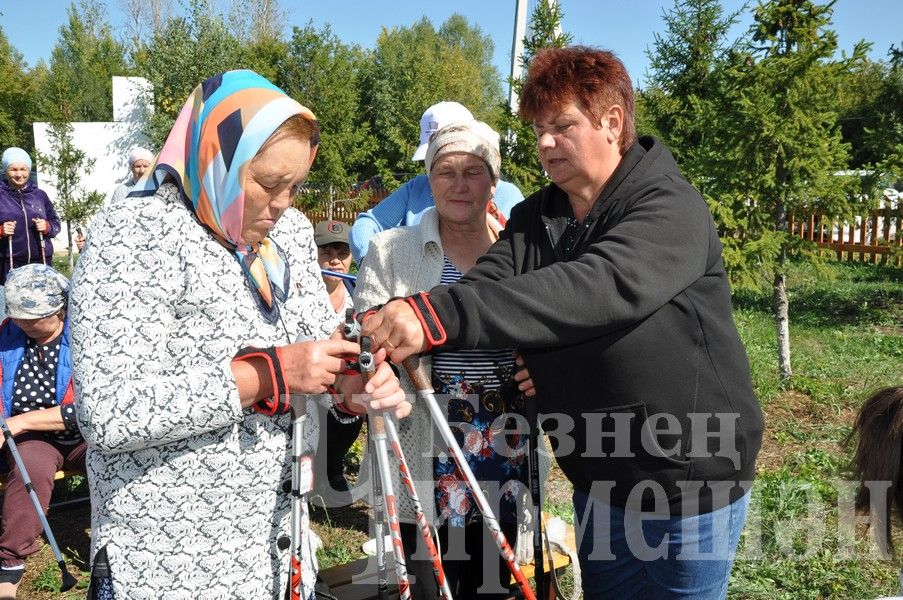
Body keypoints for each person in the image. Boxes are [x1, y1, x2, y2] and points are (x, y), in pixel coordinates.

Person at [361, 46, 764, 599]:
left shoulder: (669, 208)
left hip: (686, 486)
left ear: (613, 122)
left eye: (562, 125)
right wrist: (412, 316)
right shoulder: (537, 218)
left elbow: (594, 288)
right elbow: (489, 285)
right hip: (598, 482)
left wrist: (434, 315)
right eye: (539, 129)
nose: (546, 142)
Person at [70, 70, 409, 600]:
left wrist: (350, 387)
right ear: (215, 159)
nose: (281, 203)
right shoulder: (134, 234)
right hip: (169, 557)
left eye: (294, 186)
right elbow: (110, 411)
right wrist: (267, 373)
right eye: (268, 184)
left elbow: (313, 347)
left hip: (276, 550)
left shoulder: (290, 235)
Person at [355, 119, 535, 598]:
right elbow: (364, 345)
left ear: (494, 180)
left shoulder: (518, 252)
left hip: (503, 436)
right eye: (445, 171)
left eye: (473, 172)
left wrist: (540, 366)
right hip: (426, 433)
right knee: (432, 579)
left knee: (493, 577)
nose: (459, 185)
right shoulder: (392, 250)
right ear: (428, 179)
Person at [348, 101, 525, 263]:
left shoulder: (508, 195)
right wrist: (369, 261)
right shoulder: (416, 187)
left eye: (471, 171)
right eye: (441, 165)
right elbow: (368, 224)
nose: (459, 185)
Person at [0, 264, 85, 599]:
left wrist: (19, 422)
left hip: (84, 436)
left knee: (118, 458)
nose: (21, 323)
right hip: (35, 439)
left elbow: (86, 411)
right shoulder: (8, 334)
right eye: (16, 316)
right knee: (29, 466)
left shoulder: (85, 336)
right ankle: (10, 561)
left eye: (30, 318)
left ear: (59, 310)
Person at [313, 219, 364, 500]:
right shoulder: (299, 293)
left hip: (342, 381)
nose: (334, 261)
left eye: (341, 254)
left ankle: (333, 468)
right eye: (326, 253)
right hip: (308, 381)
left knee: (355, 405)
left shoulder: (358, 294)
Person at [0, 149, 61, 285]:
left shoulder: (40, 195)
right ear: (5, 170)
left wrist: (47, 227)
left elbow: (56, 223)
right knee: (9, 304)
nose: (19, 174)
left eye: (23, 169)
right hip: (8, 264)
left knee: (41, 303)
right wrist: (1, 231)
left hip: (41, 262)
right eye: (13, 169)